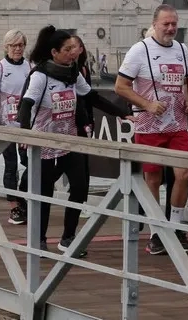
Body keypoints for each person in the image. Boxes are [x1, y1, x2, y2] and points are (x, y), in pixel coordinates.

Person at [19, 26, 128, 254]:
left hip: (70, 140)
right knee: (44, 192)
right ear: (54, 52)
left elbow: (91, 96)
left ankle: (68, 238)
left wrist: (120, 113)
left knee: (80, 186)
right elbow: (26, 104)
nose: (73, 52)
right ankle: (38, 239)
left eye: (74, 48)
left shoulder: (73, 73)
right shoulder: (40, 76)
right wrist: (24, 132)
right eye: (67, 49)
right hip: (45, 142)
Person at [114, 4, 188, 255]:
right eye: (166, 24)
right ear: (155, 24)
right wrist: (147, 104)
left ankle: (175, 227)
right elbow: (121, 86)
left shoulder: (182, 50)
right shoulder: (139, 51)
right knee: (153, 177)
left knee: (184, 174)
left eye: (174, 24)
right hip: (150, 126)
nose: (171, 28)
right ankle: (156, 232)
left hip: (177, 124)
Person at [0, 29, 30, 225]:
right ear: (6, 47)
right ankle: (14, 207)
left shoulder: (29, 67)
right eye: (13, 46)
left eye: (20, 45)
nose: (17, 49)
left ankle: (22, 195)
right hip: (6, 123)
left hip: (24, 124)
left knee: (30, 163)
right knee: (11, 165)